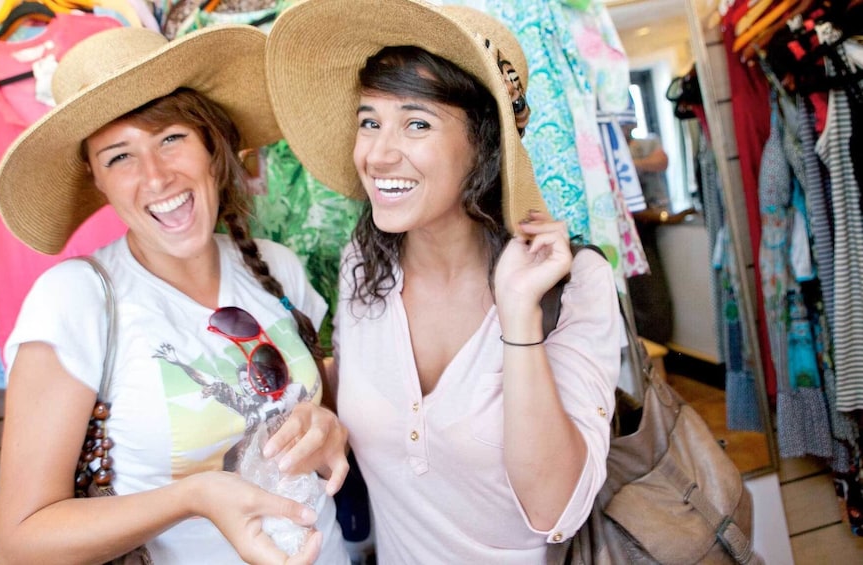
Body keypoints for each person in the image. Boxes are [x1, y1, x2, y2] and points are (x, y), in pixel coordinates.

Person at [265, 0, 622, 562]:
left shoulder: (575, 285)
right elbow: (370, 386)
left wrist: (518, 316)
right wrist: (317, 411)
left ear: (483, 144)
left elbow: (553, 511)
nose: (378, 154)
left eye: (416, 123)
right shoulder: (364, 265)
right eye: (368, 120)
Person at [0, 25, 351, 564]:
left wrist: (329, 426)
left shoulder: (278, 266)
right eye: (120, 157)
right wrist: (194, 497)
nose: (156, 176)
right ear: (97, 180)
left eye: (171, 139)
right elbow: (21, 546)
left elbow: (319, 408)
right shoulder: (75, 301)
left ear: (211, 144)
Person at [624, 124, 695, 345]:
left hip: (648, 218)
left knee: (651, 292)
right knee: (644, 293)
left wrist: (630, 165)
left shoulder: (648, 142)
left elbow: (661, 161)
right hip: (634, 224)